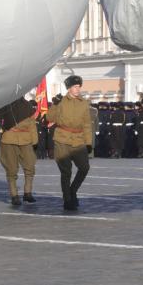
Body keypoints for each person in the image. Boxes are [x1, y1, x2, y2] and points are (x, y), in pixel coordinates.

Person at [47, 75, 92, 211]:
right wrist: (55, 105)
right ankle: (67, 200)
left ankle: (72, 191)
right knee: (66, 172)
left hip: (78, 140)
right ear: (69, 88)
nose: (78, 89)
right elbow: (49, 117)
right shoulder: (60, 102)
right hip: (62, 139)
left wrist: (89, 142)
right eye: (75, 87)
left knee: (84, 168)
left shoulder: (84, 103)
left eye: (79, 87)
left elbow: (86, 124)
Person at [0, 97, 38, 206]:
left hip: (26, 139)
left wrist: (35, 141)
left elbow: (32, 124)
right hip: (9, 139)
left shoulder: (27, 105)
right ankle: (14, 195)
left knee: (30, 167)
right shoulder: (6, 103)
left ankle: (28, 193)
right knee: (11, 169)